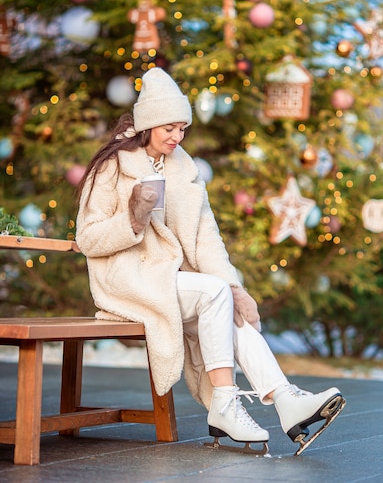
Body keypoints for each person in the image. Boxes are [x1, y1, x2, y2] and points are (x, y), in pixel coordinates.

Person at [76, 67, 345, 455]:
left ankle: (285, 400)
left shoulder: (184, 169)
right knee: (214, 291)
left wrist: (237, 288)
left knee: (227, 301)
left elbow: (207, 238)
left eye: (182, 128)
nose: (176, 137)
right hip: (126, 279)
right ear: (148, 124)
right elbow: (87, 238)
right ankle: (226, 403)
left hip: (172, 280)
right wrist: (133, 217)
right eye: (168, 127)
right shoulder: (113, 166)